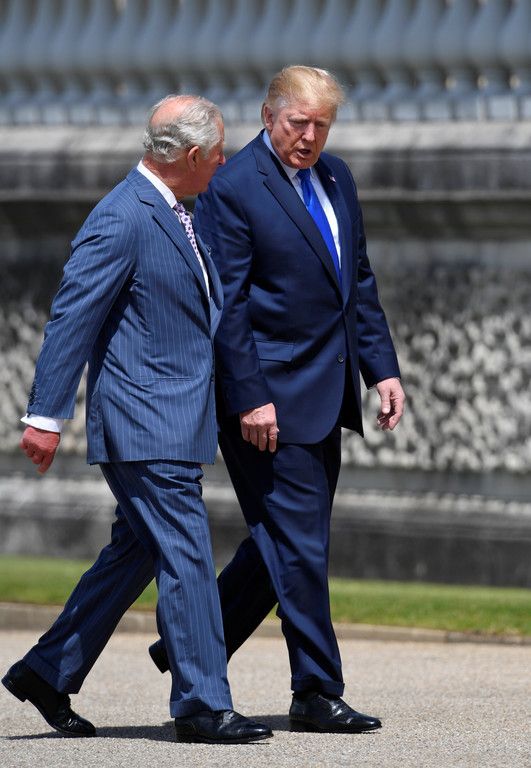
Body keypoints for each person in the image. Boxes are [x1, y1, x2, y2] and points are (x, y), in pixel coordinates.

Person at [1, 95, 272, 745]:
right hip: (145, 422)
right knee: (185, 552)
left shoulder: (178, 210)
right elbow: (72, 316)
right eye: (217, 154)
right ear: (191, 155)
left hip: (174, 418)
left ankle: (47, 670)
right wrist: (45, 416)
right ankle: (202, 703)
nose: (224, 163)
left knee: (139, 551)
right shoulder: (122, 217)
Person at [150, 66, 405, 734]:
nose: (309, 137)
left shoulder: (337, 177)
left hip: (327, 390)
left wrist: (381, 370)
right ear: (269, 117)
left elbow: (358, 283)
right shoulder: (234, 187)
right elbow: (227, 305)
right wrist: (250, 397)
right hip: (266, 402)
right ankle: (316, 690)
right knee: (301, 545)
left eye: (321, 125)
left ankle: (185, 645)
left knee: (285, 541)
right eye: (298, 123)